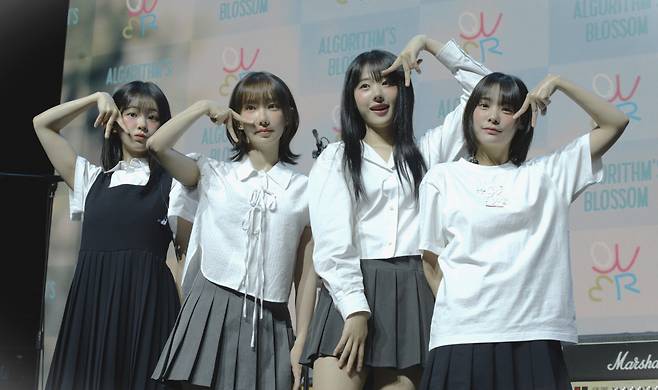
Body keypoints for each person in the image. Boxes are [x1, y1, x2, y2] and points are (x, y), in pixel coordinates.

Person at [300, 35, 490, 390]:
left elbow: (487, 93)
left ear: (403, 89)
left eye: (388, 82)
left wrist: (428, 45)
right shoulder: (337, 158)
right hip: (349, 291)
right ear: (351, 97)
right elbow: (332, 243)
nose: (377, 94)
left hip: (412, 292)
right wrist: (355, 309)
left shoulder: (429, 152)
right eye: (365, 85)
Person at [418, 72, 629, 389]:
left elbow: (615, 123)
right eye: (484, 104)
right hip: (461, 335)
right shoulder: (442, 178)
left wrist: (560, 82)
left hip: (532, 336)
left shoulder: (549, 175)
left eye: (506, 108)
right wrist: (467, 311)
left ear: (523, 120)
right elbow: (430, 262)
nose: (493, 116)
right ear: (470, 112)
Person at [147, 71, 317, 390]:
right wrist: (200, 107)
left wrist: (302, 339)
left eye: (272, 106)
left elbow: (306, 274)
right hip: (208, 307)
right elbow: (157, 145)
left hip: (271, 319)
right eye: (250, 108)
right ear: (236, 119)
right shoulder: (213, 173)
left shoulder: (304, 189)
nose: (262, 117)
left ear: (289, 116)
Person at [33, 81, 195, 390]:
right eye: (131, 114)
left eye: (153, 117)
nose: (142, 125)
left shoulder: (174, 184)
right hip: (92, 311)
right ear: (114, 120)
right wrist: (96, 97)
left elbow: (186, 260)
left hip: (147, 311)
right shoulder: (91, 179)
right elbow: (42, 125)